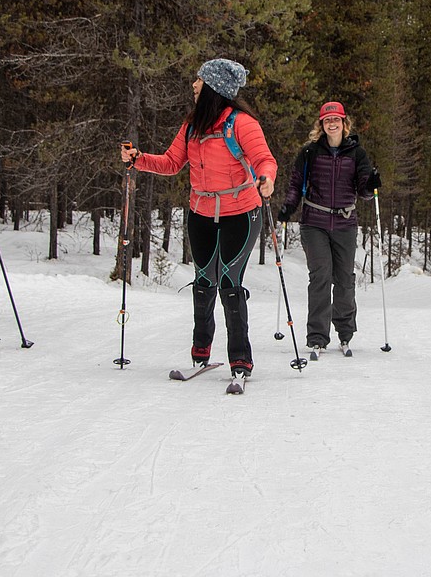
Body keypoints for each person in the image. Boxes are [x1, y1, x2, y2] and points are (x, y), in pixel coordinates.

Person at [120, 58, 278, 381]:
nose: (194, 86)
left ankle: (240, 360)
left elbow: (264, 159)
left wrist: (266, 178)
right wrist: (138, 160)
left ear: (214, 89)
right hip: (201, 214)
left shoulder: (242, 124)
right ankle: (200, 352)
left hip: (241, 215)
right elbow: (170, 162)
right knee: (204, 282)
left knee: (230, 284)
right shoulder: (192, 126)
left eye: (199, 81)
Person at [277, 101, 379, 357]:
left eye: (336, 119)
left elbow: (365, 192)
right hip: (314, 222)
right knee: (320, 276)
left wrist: (372, 185)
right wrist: (289, 207)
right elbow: (295, 184)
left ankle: (345, 333)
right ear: (321, 125)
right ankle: (317, 337)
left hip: (345, 223)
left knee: (344, 279)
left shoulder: (357, 153)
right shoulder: (310, 152)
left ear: (344, 124)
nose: (332, 124)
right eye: (327, 120)